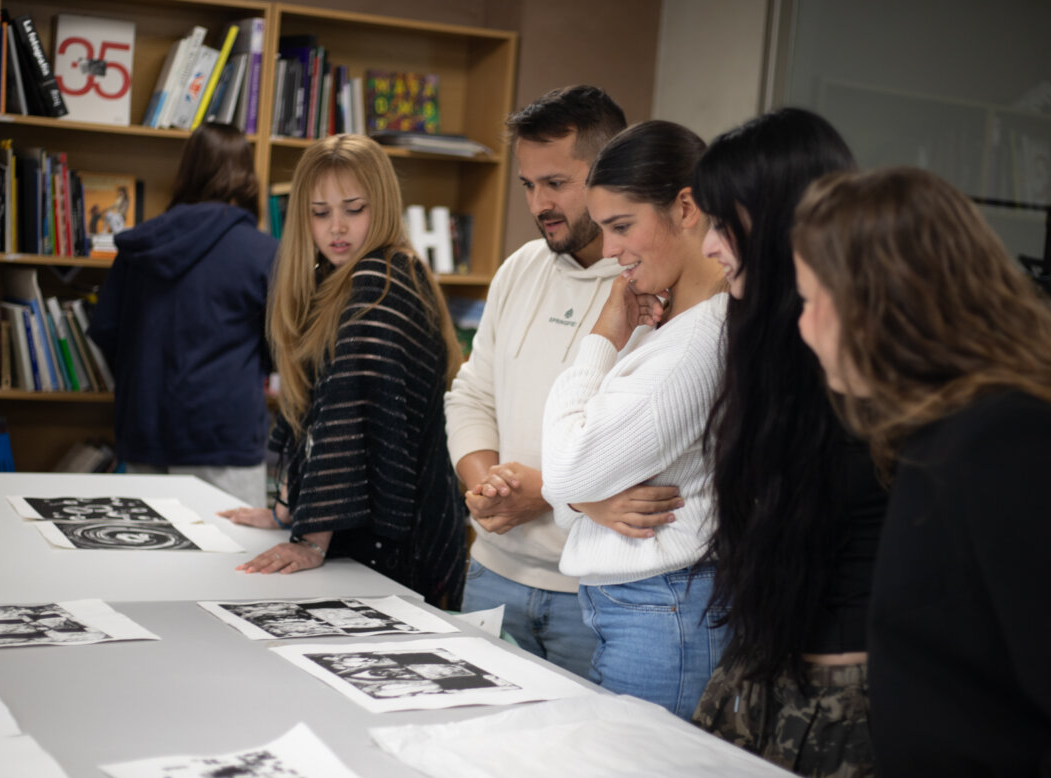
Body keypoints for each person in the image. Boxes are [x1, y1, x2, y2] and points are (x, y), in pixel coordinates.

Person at [791, 166, 1051, 778]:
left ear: (884, 305)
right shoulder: (942, 431)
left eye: (814, 300)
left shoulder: (1017, 442)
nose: (804, 325)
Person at [446, 86, 677, 678]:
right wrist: (486, 489)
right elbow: (472, 395)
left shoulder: (652, 288)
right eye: (528, 185)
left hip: (595, 593)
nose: (539, 202)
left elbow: (653, 451)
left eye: (556, 183)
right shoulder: (519, 268)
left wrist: (544, 493)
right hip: (493, 573)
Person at [685, 109, 883, 778]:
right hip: (764, 672)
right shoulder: (759, 337)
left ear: (772, 219)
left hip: (846, 704)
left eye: (721, 223)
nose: (709, 246)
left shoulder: (862, 358)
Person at [220, 134, 466, 609]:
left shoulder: (383, 281)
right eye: (319, 212)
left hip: (396, 549)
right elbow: (309, 418)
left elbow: (344, 416)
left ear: (384, 205)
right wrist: (286, 511)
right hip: (366, 539)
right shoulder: (333, 280)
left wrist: (309, 538)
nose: (337, 227)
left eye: (354, 208)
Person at [540, 120, 729, 719]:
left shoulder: (698, 343)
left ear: (686, 207)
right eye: (603, 230)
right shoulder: (671, 327)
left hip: (663, 612)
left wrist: (603, 333)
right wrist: (582, 499)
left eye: (623, 226)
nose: (612, 250)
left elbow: (565, 467)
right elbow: (572, 476)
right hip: (648, 607)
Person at [90, 122, 276, 506]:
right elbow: (283, 346)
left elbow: (106, 329)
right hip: (225, 437)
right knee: (232, 561)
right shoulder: (262, 253)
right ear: (246, 175)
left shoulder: (141, 245)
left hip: (144, 429)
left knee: (149, 559)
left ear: (188, 170)